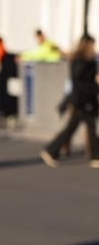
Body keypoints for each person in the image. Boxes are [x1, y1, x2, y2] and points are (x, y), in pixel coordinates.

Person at [40, 34, 99, 168]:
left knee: (75, 128)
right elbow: (83, 82)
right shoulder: (85, 62)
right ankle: (95, 156)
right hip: (84, 101)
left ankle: (52, 150)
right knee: (85, 128)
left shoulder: (79, 60)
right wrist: (95, 85)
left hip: (80, 99)